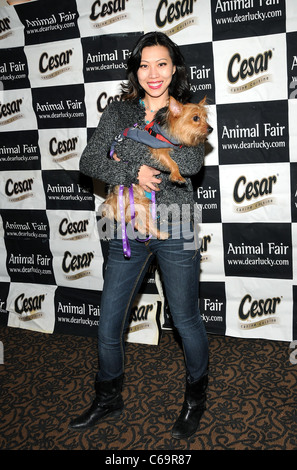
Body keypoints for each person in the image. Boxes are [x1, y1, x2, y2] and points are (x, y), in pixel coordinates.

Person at [69, 31, 209, 440]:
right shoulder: (118, 111)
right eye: (144, 64)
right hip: (125, 224)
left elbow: (191, 161)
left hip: (178, 223)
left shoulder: (188, 111)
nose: (153, 73)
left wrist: (129, 149)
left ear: (174, 68)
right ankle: (109, 395)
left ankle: (196, 397)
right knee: (109, 322)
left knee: (184, 319)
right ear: (135, 70)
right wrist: (135, 171)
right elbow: (90, 159)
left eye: (162, 63)